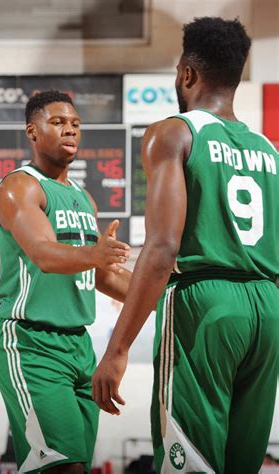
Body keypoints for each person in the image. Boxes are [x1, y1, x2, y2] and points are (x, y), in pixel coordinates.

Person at [92, 16, 278, 474]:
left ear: (187, 73)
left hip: (204, 302)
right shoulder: (269, 150)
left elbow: (162, 249)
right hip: (268, 307)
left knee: (189, 463)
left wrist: (117, 349)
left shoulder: (174, 132)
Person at [0, 90, 132, 474]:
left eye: (75, 124)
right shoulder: (20, 186)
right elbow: (45, 254)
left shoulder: (84, 199)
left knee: (74, 466)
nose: (70, 130)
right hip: (29, 341)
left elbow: (102, 274)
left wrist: (163, 289)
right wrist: (95, 254)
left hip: (79, 346)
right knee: (62, 468)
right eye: (58, 122)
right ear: (32, 132)